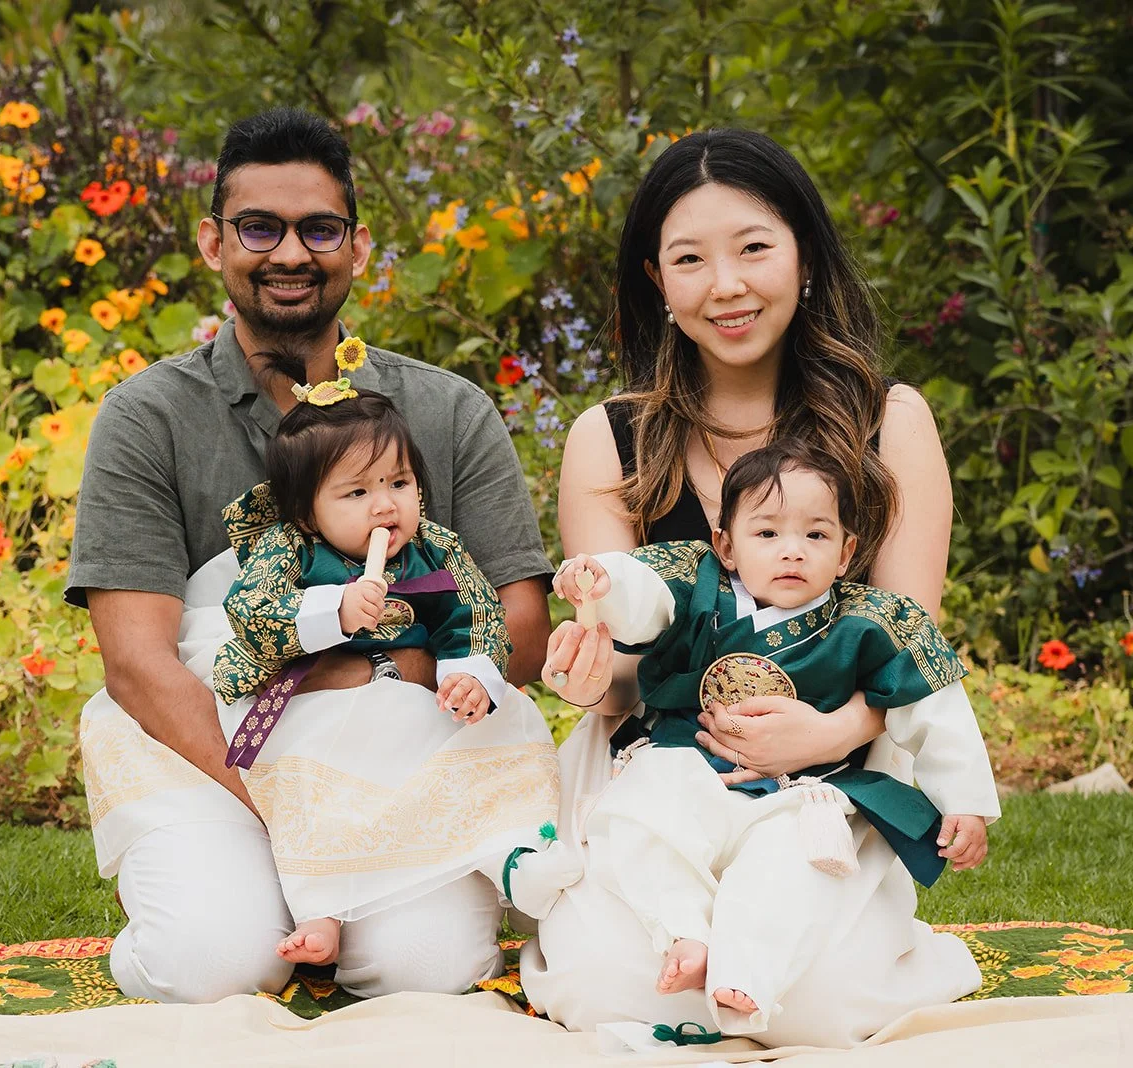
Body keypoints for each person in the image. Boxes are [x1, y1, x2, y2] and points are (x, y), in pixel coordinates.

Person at [66, 107, 552, 1004]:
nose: (290, 252)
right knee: (210, 966)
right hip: (213, 759)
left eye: (318, 229)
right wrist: (289, 804)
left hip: (399, 756)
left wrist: (374, 706)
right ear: (214, 243)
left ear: (358, 248)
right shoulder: (147, 417)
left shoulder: (446, 412)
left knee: (425, 973)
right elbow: (137, 662)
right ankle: (219, 912)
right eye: (259, 227)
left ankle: (342, 918)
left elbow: (518, 625)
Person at [518, 127, 979, 1048]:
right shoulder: (611, 440)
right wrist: (587, 673)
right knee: (626, 986)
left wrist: (830, 731)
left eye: (754, 248)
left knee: (812, 1008)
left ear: (804, 254)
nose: (725, 285)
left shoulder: (891, 424)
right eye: (690, 259)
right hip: (658, 773)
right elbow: (618, 676)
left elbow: (908, 655)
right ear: (658, 280)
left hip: (831, 780)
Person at [544, 440, 998, 1035]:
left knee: (788, 868)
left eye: (815, 535)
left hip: (801, 793)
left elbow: (934, 703)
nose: (792, 551)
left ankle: (746, 977)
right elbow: (644, 592)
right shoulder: (697, 586)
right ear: (726, 545)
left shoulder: (870, 621)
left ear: (846, 552)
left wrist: (964, 802)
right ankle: (684, 931)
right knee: (637, 811)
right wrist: (605, 581)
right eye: (767, 535)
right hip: (687, 765)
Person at [205, 361, 557, 968]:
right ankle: (321, 907)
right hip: (313, 708)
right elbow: (252, 612)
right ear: (309, 513)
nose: (385, 507)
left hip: (413, 708)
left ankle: (513, 852)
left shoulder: (435, 550)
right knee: (320, 797)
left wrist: (469, 672)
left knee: (503, 738)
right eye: (357, 492)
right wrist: (332, 611)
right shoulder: (291, 548)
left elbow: (472, 614)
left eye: (399, 483)